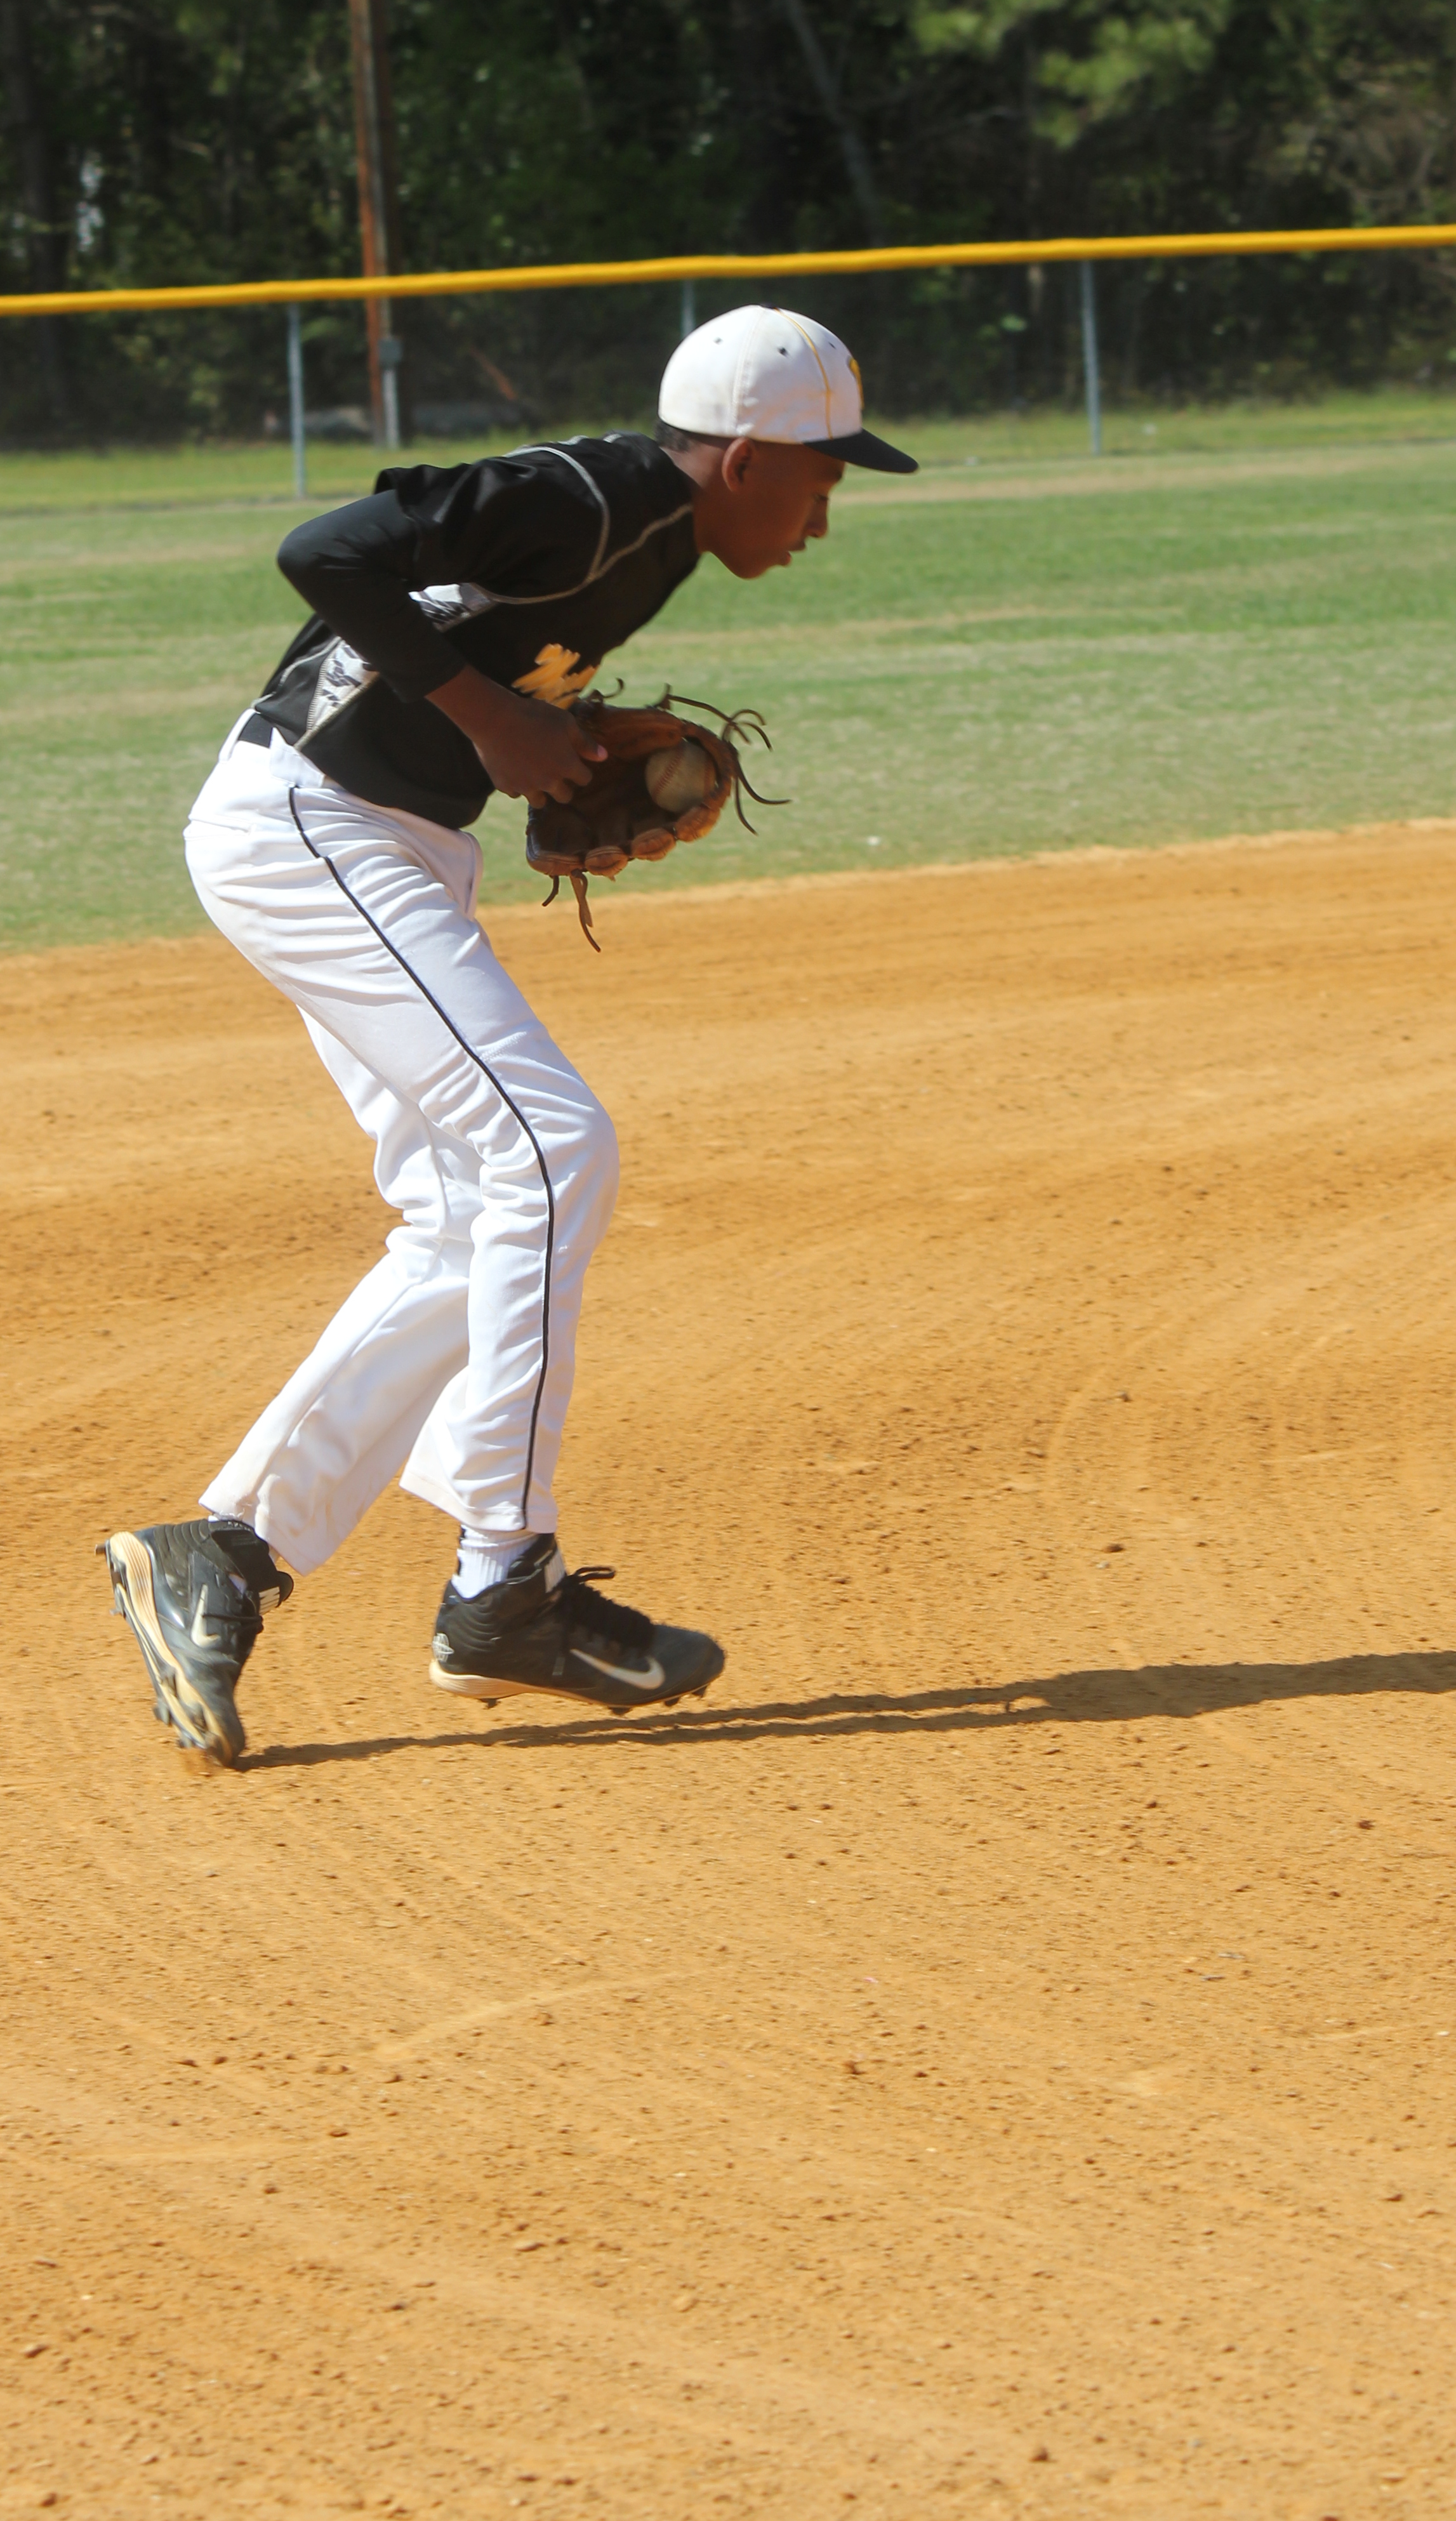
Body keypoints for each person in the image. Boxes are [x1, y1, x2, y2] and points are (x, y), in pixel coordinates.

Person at [100, 306, 917, 1761]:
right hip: (309, 829)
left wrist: (571, 727)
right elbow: (327, 555)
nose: (824, 515)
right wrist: (488, 726)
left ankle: (222, 1553)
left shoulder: (661, 542)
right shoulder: (588, 493)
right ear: (742, 460)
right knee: (549, 1145)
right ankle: (504, 1587)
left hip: (388, 843)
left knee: (464, 1220)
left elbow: (471, 630)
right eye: (821, 478)